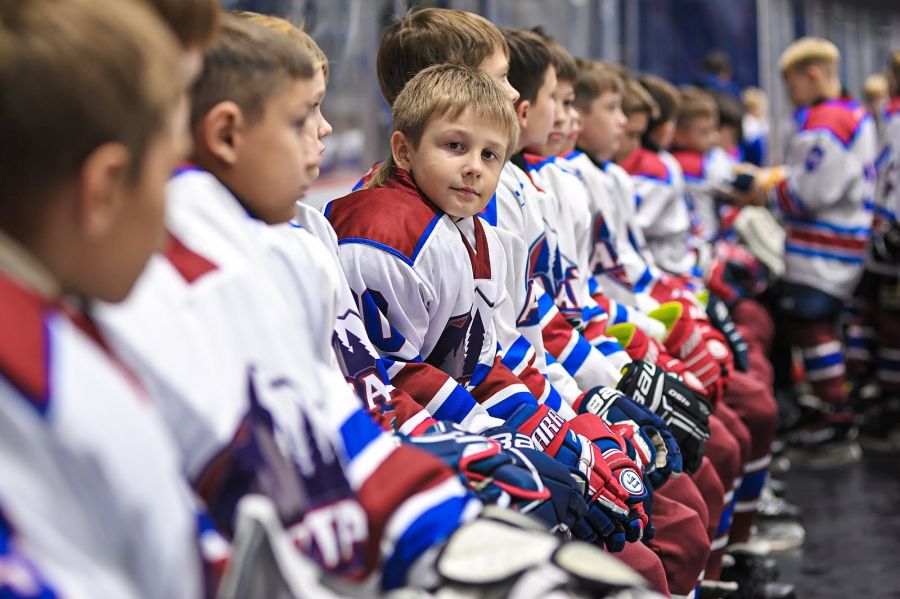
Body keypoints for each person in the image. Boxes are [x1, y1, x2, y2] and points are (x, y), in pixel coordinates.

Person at [0, 0, 204, 596]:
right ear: (104, 189)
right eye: (169, 172)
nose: (171, 221)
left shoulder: (55, 323)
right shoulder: (35, 387)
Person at [743, 37, 877, 464]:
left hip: (824, 248)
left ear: (812, 75)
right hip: (839, 241)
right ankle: (832, 408)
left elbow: (813, 190)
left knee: (811, 326)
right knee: (816, 325)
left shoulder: (827, 120)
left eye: (792, 85)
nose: (792, 95)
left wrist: (763, 188)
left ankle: (834, 413)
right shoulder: (850, 111)